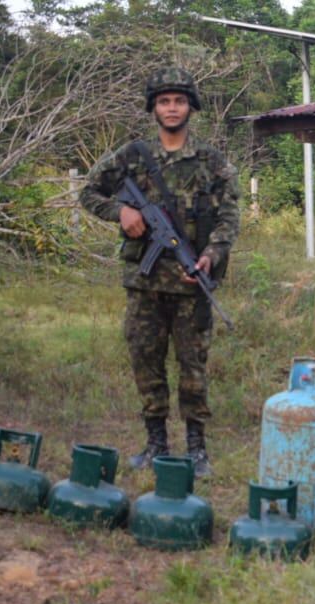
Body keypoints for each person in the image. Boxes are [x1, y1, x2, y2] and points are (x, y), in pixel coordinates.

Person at [79, 67, 239, 478]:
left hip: (191, 285)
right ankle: (155, 444)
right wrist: (122, 211)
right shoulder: (133, 156)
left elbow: (228, 217)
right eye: (164, 101)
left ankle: (196, 449)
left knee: (193, 367)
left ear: (191, 107)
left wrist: (211, 255)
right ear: (154, 108)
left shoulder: (211, 162)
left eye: (179, 101)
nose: (172, 108)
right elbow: (88, 192)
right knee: (146, 361)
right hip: (145, 284)